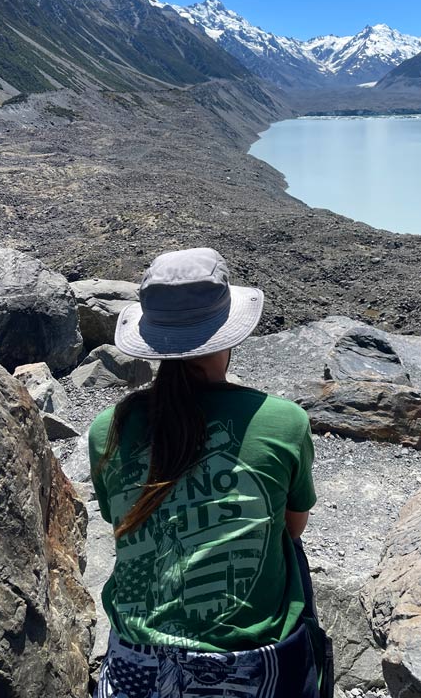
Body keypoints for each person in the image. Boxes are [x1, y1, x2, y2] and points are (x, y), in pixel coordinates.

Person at [89, 247, 328, 698]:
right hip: (257, 666)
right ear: (229, 334)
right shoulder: (283, 421)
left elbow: (121, 522)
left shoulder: (109, 429)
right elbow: (292, 528)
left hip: (135, 668)